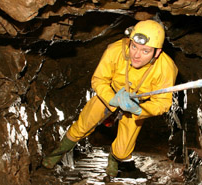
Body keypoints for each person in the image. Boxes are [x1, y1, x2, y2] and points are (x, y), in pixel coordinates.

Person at [42, 19, 178, 178]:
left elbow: (163, 102)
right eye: (134, 46)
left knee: (123, 150)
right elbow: (99, 80)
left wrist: (139, 109)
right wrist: (112, 98)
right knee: (82, 126)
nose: (136, 54)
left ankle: (114, 161)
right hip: (109, 94)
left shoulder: (166, 68)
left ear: (157, 52)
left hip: (136, 105)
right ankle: (55, 155)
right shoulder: (115, 50)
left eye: (145, 51)